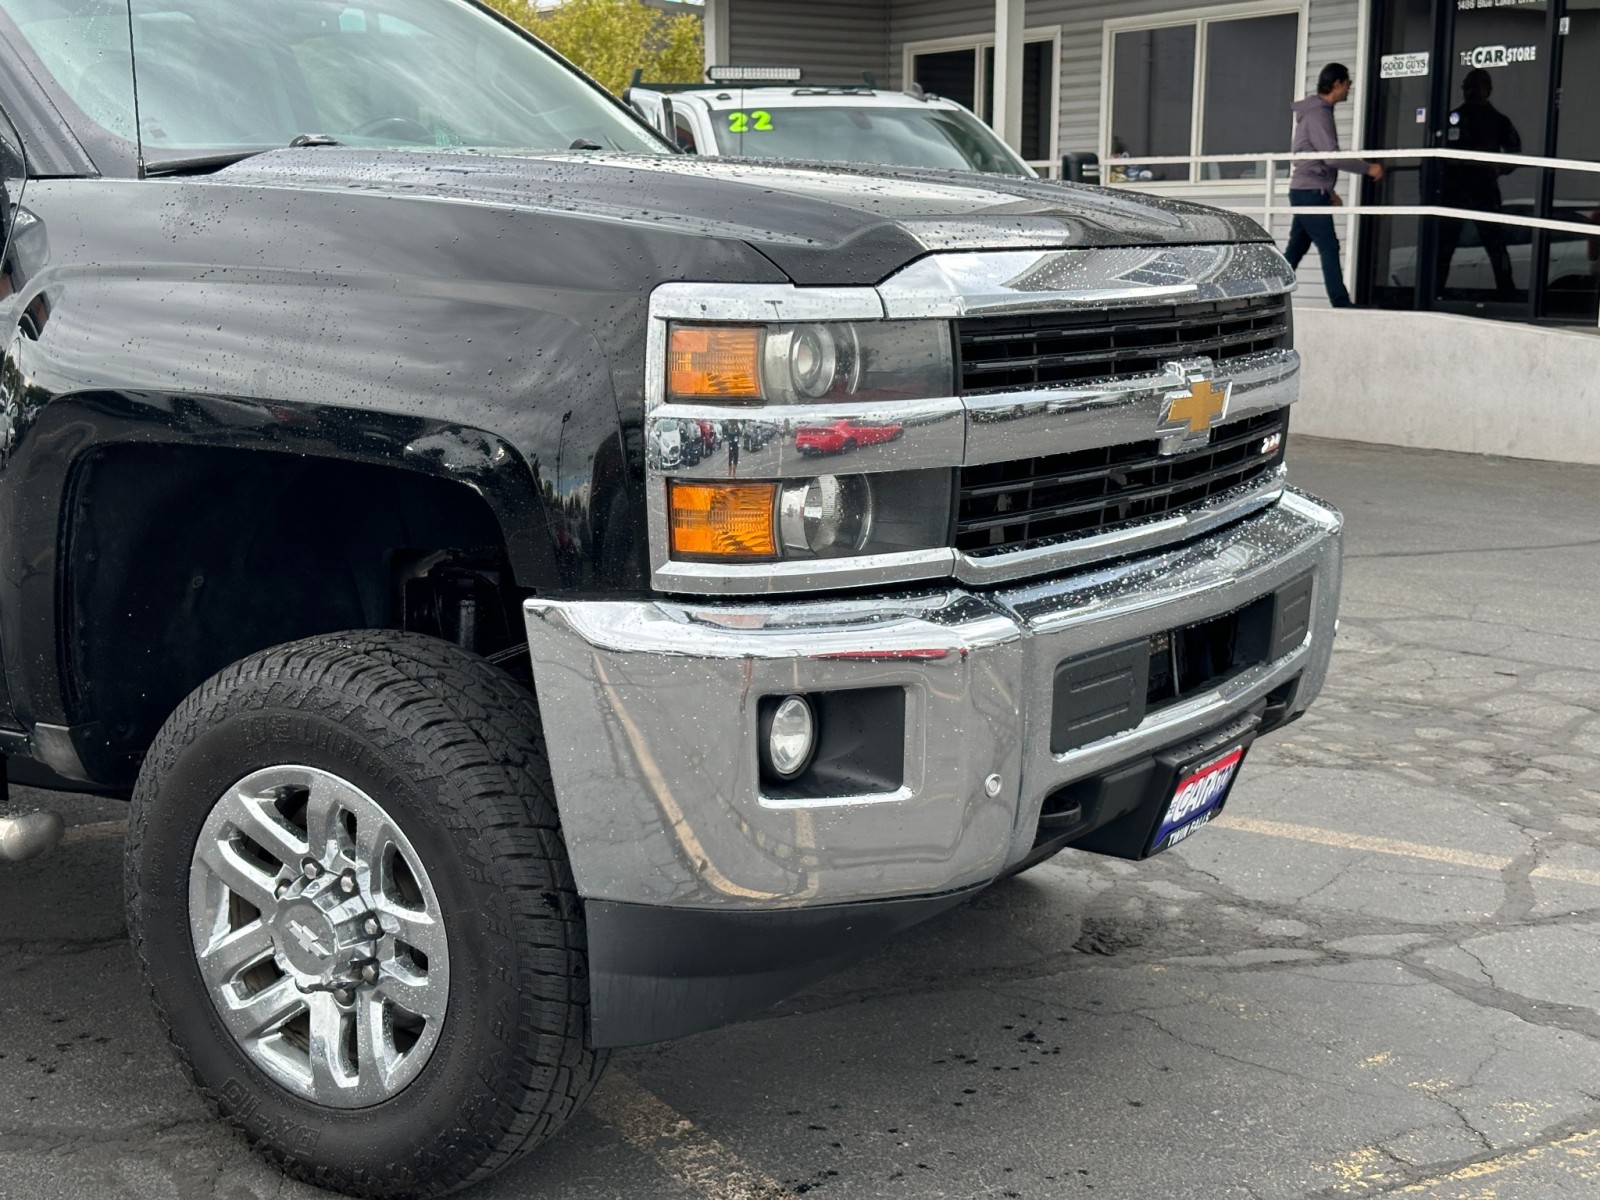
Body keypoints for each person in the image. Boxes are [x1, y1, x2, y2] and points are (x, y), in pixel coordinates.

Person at [1285, 64, 1384, 307]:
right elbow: (1331, 157)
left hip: (1308, 190)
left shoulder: (1318, 111)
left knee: (1296, 248)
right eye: (1348, 82)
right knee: (1329, 245)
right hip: (1309, 192)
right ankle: (1341, 303)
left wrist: (1328, 191)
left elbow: (1319, 157)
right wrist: (1367, 168)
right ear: (1337, 84)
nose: (1350, 87)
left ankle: (1266, 295)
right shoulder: (1319, 113)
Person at [1436, 69, 1521, 299]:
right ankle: (1434, 292)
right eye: (1467, 86)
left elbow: (1515, 152)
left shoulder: (1498, 120)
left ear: (1488, 89)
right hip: (1456, 190)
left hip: (1483, 189)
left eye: (1475, 86)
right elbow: (1439, 153)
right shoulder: (1454, 118)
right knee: (1445, 245)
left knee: (1495, 244)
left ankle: (1507, 293)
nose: (1470, 91)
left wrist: (1498, 167)